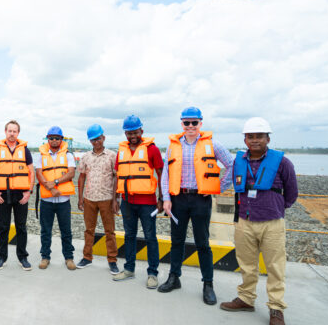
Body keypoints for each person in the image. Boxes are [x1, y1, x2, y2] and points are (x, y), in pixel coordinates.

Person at [220, 117, 297, 325]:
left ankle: (276, 308)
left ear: (267, 138)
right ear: (245, 139)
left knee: (275, 266)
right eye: (250, 136)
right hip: (245, 221)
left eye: (259, 136)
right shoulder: (238, 161)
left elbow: (292, 193)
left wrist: (275, 207)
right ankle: (246, 298)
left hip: (272, 222)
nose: (254, 140)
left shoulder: (282, 163)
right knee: (246, 263)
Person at [159, 107, 233, 305]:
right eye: (186, 123)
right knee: (176, 241)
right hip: (178, 200)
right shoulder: (173, 146)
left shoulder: (213, 144)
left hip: (201, 200)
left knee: (203, 243)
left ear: (201, 123)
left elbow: (232, 165)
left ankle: (208, 284)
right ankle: (174, 278)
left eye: (194, 122)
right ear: (181, 124)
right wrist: (166, 198)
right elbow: (166, 174)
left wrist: (218, 187)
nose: (190, 126)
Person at [112, 115, 164, 288]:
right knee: (129, 236)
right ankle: (129, 269)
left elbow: (161, 174)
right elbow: (118, 176)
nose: (132, 136)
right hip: (127, 201)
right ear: (125, 133)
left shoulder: (152, 150)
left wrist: (162, 198)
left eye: (135, 132)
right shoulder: (122, 151)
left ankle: (152, 273)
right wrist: (116, 198)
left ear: (141, 131)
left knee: (150, 237)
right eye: (129, 133)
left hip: (148, 202)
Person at [0, 120, 34, 270]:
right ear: (5, 132)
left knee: (21, 227)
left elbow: (32, 172)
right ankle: (2, 257)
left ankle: (22, 257)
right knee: (3, 227)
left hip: (21, 195)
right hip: (3, 195)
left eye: (15, 131)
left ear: (18, 133)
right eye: (9, 131)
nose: (12, 133)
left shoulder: (25, 151)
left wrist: (28, 192)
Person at [75, 124, 119, 274]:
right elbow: (81, 178)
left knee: (109, 231)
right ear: (90, 141)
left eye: (98, 138)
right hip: (89, 199)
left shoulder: (112, 156)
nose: (96, 142)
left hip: (106, 199)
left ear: (103, 138)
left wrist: (115, 200)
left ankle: (112, 260)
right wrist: (80, 198)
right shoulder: (86, 157)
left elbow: (116, 178)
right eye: (93, 140)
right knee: (88, 230)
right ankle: (87, 257)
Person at [34, 126, 77, 270]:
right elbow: (39, 174)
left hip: (63, 202)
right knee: (45, 231)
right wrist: (51, 188)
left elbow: (71, 173)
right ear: (47, 139)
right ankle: (45, 257)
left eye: (57, 138)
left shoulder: (68, 155)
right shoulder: (41, 156)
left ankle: (69, 257)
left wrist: (56, 182)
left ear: (61, 139)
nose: (54, 140)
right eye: (51, 138)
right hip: (46, 201)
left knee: (66, 230)